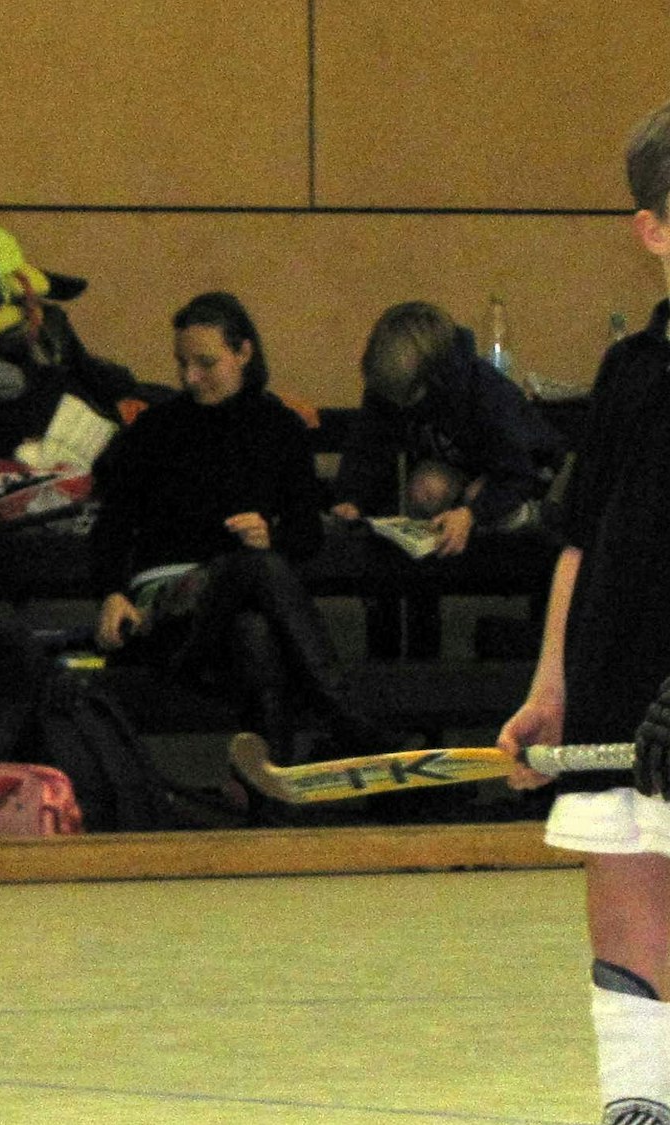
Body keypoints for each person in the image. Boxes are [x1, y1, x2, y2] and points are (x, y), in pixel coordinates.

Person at [502, 99, 670, 1125]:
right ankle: (637, 1105)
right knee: (623, 913)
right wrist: (549, 688)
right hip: (616, 697)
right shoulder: (628, 372)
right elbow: (580, 540)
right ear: (649, 227)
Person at [90, 292, 396, 769]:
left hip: (239, 615)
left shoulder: (279, 428)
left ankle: (268, 792)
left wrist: (271, 537)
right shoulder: (155, 430)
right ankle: (353, 726)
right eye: (182, 364)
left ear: (244, 353)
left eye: (206, 363)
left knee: (255, 631)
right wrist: (111, 592)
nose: (191, 378)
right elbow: (111, 525)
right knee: (254, 572)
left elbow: (306, 534)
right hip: (169, 611)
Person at [331, 300, 564, 554]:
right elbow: (367, 446)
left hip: (526, 470)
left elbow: (518, 470)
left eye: (408, 399)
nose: (399, 408)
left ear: (433, 378)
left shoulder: (486, 393)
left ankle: (532, 516)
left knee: (479, 496)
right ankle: (423, 583)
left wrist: (472, 513)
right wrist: (351, 500)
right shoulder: (391, 385)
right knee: (426, 489)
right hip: (465, 469)